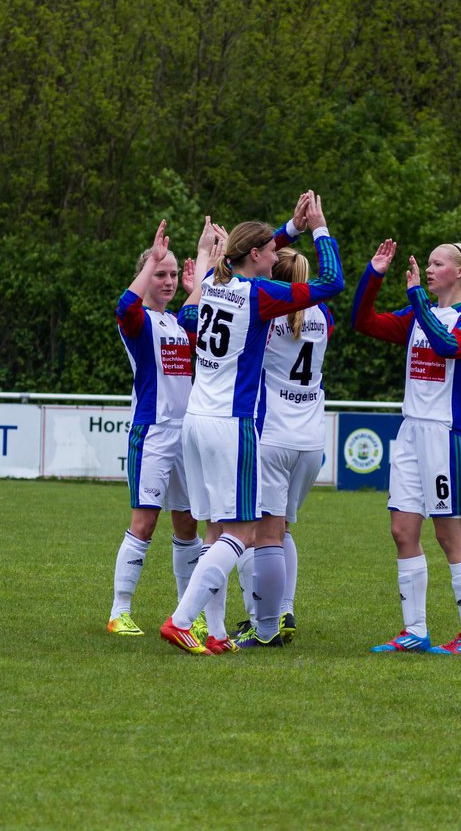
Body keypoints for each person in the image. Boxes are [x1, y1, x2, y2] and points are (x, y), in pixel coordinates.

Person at [160, 191, 344, 654]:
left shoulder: (210, 283)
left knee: (215, 530)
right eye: (272, 250)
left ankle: (217, 632)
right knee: (243, 532)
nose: (277, 255)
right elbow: (332, 283)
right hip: (232, 424)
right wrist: (317, 228)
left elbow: (186, 315)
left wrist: (289, 228)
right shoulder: (261, 293)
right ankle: (183, 619)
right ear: (257, 256)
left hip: (196, 422)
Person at [352, 239, 461, 655]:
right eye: (427, 264)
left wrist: (415, 299)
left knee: (449, 536)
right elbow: (363, 321)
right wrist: (373, 274)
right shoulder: (419, 315)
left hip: (446, 436)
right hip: (412, 432)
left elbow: (448, 347)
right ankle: (414, 630)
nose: (428, 269)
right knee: (402, 531)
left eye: (437, 263)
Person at [107, 218, 221, 637]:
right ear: (146, 276)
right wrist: (150, 259)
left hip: (185, 435)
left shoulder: (177, 323)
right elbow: (124, 308)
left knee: (188, 524)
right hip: (152, 433)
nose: (169, 279)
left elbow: (200, 306)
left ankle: (185, 613)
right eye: (161, 273)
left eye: (173, 273)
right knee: (144, 522)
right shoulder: (139, 324)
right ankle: (120, 611)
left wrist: (208, 258)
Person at [233, 245, 334, 647]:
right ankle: (284, 608)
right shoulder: (323, 315)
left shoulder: (264, 312)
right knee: (283, 530)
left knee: (262, 535)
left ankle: (266, 626)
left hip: (271, 434)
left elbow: (246, 279)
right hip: (311, 443)